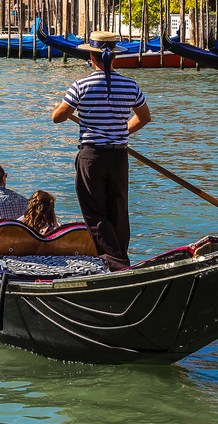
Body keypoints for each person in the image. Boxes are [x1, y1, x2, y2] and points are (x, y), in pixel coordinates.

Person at [51, 31, 151, 272]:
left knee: (95, 212)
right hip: (118, 156)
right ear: (113, 57)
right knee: (118, 210)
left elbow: (57, 117)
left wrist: (59, 106)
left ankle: (116, 263)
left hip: (91, 157)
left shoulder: (81, 84)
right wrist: (119, 132)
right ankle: (120, 259)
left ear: (92, 57)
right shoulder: (130, 84)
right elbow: (144, 117)